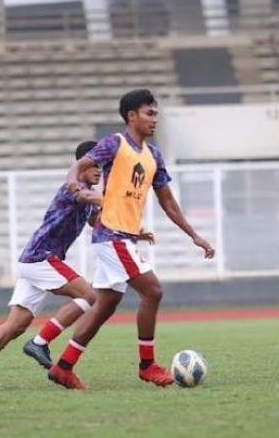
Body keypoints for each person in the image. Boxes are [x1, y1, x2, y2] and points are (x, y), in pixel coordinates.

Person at [47, 88, 216, 390]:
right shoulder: (115, 143)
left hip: (124, 238)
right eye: (149, 113)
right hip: (112, 235)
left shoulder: (154, 156)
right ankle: (147, 365)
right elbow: (80, 165)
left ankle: (63, 367)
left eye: (156, 114)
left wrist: (194, 235)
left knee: (105, 305)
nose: (154, 119)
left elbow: (168, 203)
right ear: (131, 116)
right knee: (152, 291)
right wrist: (73, 182)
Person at [0, 140, 103, 391]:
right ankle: (40, 342)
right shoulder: (73, 189)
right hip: (43, 257)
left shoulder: (88, 197)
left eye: (103, 165)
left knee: (14, 326)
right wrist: (112, 198)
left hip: (34, 261)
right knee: (89, 294)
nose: (100, 169)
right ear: (81, 165)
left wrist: (131, 229)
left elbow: (99, 222)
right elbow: (86, 198)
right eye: (95, 164)